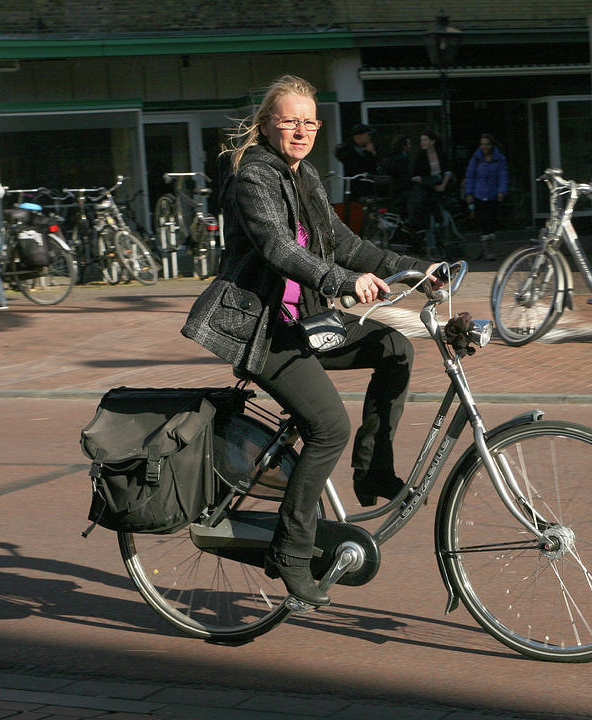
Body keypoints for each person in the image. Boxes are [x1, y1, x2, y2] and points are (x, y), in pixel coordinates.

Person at [181, 75, 442, 607]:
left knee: (396, 348)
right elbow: (278, 247)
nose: (300, 130)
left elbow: (344, 242)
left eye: (309, 122)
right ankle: (291, 553)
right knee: (328, 427)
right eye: (289, 120)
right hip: (263, 329)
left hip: (307, 321)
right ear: (267, 124)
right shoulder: (252, 175)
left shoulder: (305, 177)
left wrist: (417, 270)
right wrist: (344, 283)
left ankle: (372, 471)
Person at [463, 133, 508, 261]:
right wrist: (469, 193)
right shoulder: (476, 159)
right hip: (479, 195)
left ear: (491, 145)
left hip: (493, 195)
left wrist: (501, 191)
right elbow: (470, 176)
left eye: (487, 144)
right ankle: (488, 250)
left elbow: (503, 175)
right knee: (484, 221)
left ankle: (489, 247)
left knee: (492, 221)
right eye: (482, 144)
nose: (485, 147)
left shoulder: (499, 159)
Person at [410, 130, 452, 260]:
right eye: (422, 140)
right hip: (427, 193)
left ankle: (444, 247)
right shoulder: (420, 156)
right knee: (430, 223)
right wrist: (429, 183)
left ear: (433, 141)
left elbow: (448, 171)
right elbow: (415, 176)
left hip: (440, 192)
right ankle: (431, 249)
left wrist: (443, 185)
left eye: (425, 140)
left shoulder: (441, 154)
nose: (423, 143)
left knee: (444, 219)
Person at [334, 123, 378, 200]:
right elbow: (357, 166)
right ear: (359, 136)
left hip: (367, 187)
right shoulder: (347, 150)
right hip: (355, 189)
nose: (369, 138)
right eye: (368, 135)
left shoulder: (364, 149)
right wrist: (368, 154)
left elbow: (372, 168)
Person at [377, 134, 413, 217]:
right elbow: (404, 178)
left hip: (392, 193)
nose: (410, 146)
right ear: (404, 146)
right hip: (400, 192)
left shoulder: (389, 159)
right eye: (409, 144)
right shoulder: (402, 160)